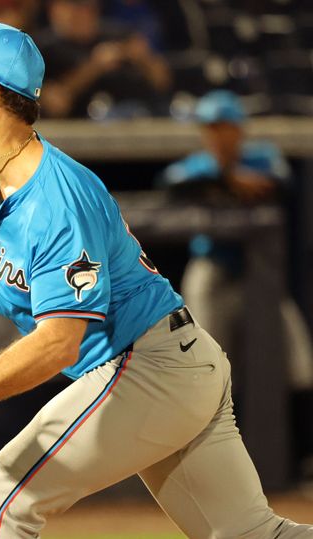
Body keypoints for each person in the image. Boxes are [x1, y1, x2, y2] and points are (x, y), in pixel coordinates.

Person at [0, 22, 313, 538]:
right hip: (176, 362)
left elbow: (57, 347)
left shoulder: (55, 201)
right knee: (252, 534)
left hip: (147, 366)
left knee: (3, 495)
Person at [158, 89, 313, 482]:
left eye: (225, 127)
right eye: (211, 128)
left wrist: (233, 178)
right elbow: (172, 184)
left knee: (298, 363)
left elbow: (282, 183)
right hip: (212, 272)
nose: (218, 136)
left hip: (260, 276)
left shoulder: (263, 157)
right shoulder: (197, 165)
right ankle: (204, 465)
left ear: (238, 129)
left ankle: (303, 459)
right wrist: (227, 178)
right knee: (204, 367)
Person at [35, 0, 171, 119]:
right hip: (78, 129)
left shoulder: (120, 35)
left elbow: (162, 81)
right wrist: (94, 67)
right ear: (55, 10)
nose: (84, 15)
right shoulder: (42, 49)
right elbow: (56, 105)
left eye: (89, 8)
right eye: (76, 9)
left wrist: (144, 60)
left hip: (137, 118)